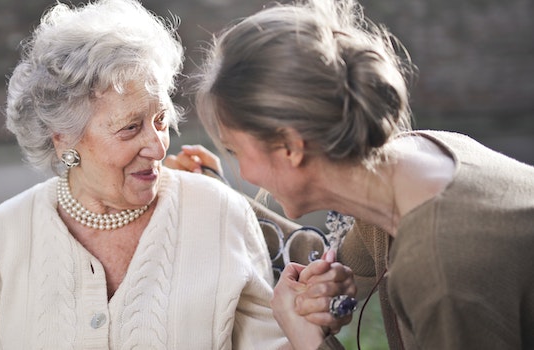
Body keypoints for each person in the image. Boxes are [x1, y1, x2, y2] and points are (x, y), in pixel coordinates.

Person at [0, 0, 354, 348]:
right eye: (130, 128)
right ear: (63, 139)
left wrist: (306, 326)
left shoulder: (219, 214)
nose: (159, 146)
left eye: (160, 120)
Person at [190, 0, 534, 348]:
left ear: (290, 148)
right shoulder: (417, 160)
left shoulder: (441, 272)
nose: (244, 171)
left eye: (235, 150)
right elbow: (334, 264)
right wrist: (214, 195)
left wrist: (308, 340)